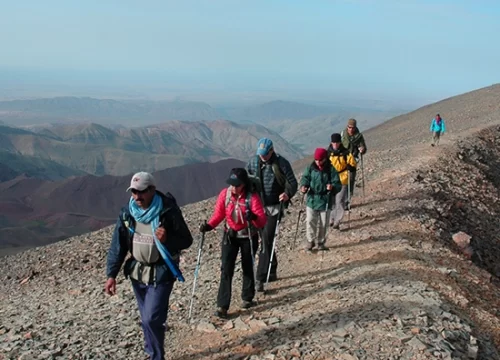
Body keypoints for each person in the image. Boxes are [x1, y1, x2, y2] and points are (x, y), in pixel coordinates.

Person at [105, 172, 193, 360]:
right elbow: (118, 245)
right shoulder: (127, 213)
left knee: (151, 319)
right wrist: (111, 274)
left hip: (161, 272)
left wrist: (167, 239)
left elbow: (186, 240)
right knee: (147, 319)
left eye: (142, 192)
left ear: (152, 190)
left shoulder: (167, 211)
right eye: (134, 192)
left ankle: (155, 356)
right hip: (137, 274)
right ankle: (151, 349)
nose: (137, 197)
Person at [199, 168, 267, 318]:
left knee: (247, 266)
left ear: (244, 184)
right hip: (230, 236)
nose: (233, 187)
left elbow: (262, 220)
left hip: (248, 235)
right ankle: (222, 306)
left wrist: (253, 216)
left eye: (237, 185)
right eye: (232, 184)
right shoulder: (226, 194)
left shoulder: (252, 197)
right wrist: (209, 226)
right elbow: (219, 214)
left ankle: (247, 297)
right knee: (226, 269)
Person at [247, 138, 298, 292]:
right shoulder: (253, 163)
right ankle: (273, 267)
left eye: (265, 154)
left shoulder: (281, 163)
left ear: (271, 151)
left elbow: (293, 182)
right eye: (260, 154)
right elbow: (246, 181)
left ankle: (260, 278)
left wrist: (287, 193)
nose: (262, 156)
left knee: (267, 239)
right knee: (265, 239)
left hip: (275, 207)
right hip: (257, 208)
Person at [300, 148, 342, 251]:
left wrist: (332, 187)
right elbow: (305, 178)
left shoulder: (331, 169)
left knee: (324, 222)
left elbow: (338, 184)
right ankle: (310, 241)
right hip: (312, 198)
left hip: (325, 199)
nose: (318, 162)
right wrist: (304, 185)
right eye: (316, 160)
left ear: (324, 159)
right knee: (310, 221)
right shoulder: (310, 168)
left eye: (320, 160)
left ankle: (321, 242)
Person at [327, 133, 357, 229]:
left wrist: (350, 167)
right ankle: (331, 218)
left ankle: (337, 221)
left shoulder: (345, 152)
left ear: (340, 142)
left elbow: (353, 164)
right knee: (331, 201)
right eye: (334, 142)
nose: (335, 144)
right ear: (331, 142)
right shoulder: (328, 153)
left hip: (342, 178)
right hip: (331, 179)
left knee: (339, 201)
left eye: (337, 142)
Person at [341, 118, 367, 207]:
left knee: (351, 180)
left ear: (355, 127)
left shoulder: (359, 136)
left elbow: (363, 147)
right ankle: (340, 200)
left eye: (353, 127)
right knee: (342, 180)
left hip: (352, 161)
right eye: (349, 127)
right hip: (342, 161)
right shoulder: (343, 135)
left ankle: (347, 201)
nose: (351, 129)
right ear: (347, 126)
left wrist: (362, 149)